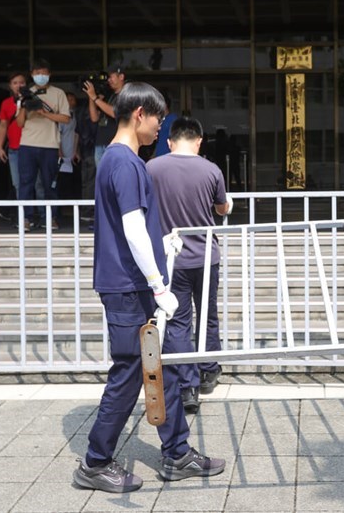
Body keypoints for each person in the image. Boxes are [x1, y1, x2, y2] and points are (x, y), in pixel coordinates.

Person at [73, 82, 225, 494]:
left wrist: (161, 255)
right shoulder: (123, 162)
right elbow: (133, 227)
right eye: (159, 117)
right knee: (130, 374)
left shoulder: (124, 160)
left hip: (133, 284)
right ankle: (95, 462)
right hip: (129, 287)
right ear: (140, 114)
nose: (162, 126)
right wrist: (159, 284)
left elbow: (139, 230)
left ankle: (177, 453)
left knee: (165, 368)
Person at [147, 117, 233, 412]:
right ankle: (209, 370)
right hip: (206, 255)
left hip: (171, 258)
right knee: (208, 314)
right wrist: (227, 205)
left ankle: (187, 388)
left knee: (178, 321)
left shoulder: (152, 168)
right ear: (199, 140)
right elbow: (222, 207)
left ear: (170, 141)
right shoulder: (211, 169)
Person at [16, 58, 70, 232]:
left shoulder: (58, 93)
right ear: (32, 75)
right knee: (26, 183)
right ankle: (26, 218)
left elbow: (66, 118)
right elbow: (18, 123)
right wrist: (24, 105)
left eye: (43, 73)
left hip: (50, 145)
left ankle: (51, 217)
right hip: (27, 144)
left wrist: (44, 113)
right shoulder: (26, 93)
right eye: (37, 73)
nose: (40, 76)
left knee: (50, 184)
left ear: (49, 74)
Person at [84, 63, 126, 167]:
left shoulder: (127, 94)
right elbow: (94, 118)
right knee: (102, 180)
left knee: (114, 178)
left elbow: (114, 113)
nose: (108, 80)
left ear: (121, 77)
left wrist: (95, 98)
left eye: (111, 76)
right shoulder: (109, 95)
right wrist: (91, 97)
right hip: (100, 142)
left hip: (115, 143)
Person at [0, 72, 28, 204]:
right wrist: (0, 146)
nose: (18, 85)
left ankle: (42, 216)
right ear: (10, 86)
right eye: (15, 83)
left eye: (21, 82)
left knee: (37, 183)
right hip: (14, 148)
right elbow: (3, 125)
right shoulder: (6, 103)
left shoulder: (33, 101)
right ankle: (24, 217)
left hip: (31, 146)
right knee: (17, 183)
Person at [56, 91, 81, 221]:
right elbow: (58, 135)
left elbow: (76, 134)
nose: (70, 102)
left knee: (71, 183)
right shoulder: (61, 116)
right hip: (63, 153)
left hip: (71, 153)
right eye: (68, 99)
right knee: (60, 183)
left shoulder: (74, 115)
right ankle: (59, 212)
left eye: (72, 99)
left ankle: (70, 210)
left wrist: (76, 151)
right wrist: (59, 151)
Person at [152, 91, 178, 159]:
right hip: (158, 155)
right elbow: (158, 140)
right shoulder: (159, 119)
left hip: (169, 156)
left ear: (165, 105)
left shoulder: (173, 119)